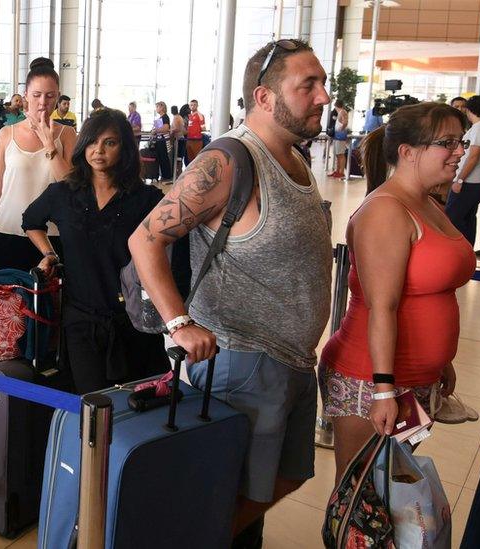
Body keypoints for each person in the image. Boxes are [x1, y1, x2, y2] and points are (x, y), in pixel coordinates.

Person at [128, 39, 333, 547]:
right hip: (241, 360)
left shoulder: (296, 162)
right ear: (264, 97)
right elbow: (145, 239)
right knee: (225, 492)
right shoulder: (229, 161)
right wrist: (179, 323)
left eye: (322, 83)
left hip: (291, 361)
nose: (323, 96)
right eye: (306, 85)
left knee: (279, 481)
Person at [320, 102, 474, 481]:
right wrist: (384, 390)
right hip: (369, 380)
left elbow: (427, 293)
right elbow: (382, 308)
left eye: (461, 141)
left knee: (391, 483)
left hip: (413, 380)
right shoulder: (386, 212)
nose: (460, 151)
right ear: (407, 152)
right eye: (448, 143)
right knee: (360, 495)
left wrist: (439, 363)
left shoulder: (429, 202)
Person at [22, 109, 167, 393]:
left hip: (134, 321)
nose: (98, 150)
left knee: (140, 406)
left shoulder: (147, 199)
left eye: (110, 143)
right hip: (81, 321)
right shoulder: (63, 193)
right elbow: (30, 221)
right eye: (91, 142)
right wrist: (50, 254)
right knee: (93, 406)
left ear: (124, 148)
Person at [0, 58, 77, 272]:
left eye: (50, 96)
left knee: (46, 305)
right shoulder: (8, 133)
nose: (42, 102)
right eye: (36, 95)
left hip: (51, 237)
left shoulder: (67, 135)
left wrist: (49, 145)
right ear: (26, 95)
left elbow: (71, 186)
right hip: (8, 231)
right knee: (3, 302)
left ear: (57, 97)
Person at [444, 95, 480, 249]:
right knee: (467, 218)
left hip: (470, 181)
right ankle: (466, 250)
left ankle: (457, 250)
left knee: (452, 217)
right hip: (476, 180)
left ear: (469, 109)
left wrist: (460, 180)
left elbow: (473, 156)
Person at [151, 101, 173, 182]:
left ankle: (167, 176)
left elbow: (166, 128)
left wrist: (156, 130)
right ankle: (163, 175)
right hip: (159, 139)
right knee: (160, 158)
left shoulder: (165, 117)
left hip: (164, 140)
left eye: (157, 107)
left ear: (162, 107)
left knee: (164, 158)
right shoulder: (160, 118)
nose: (156, 109)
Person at [328, 99, 349, 178]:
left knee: (341, 154)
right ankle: (337, 170)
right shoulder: (340, 112)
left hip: (340, 136)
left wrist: (341, 129)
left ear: (335, 106)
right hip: (337, 135)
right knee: (337, 154)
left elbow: (345, 122)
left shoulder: (342, 112)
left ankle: (341, 172)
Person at [170, 105, 186, 177]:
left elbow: (176, 128)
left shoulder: (176, 117)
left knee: (178, 157)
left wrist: (170, 131)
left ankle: (178, 173)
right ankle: (178, 172)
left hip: (178, 139)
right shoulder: (179, 117)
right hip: (180, 138)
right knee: (179, 157)